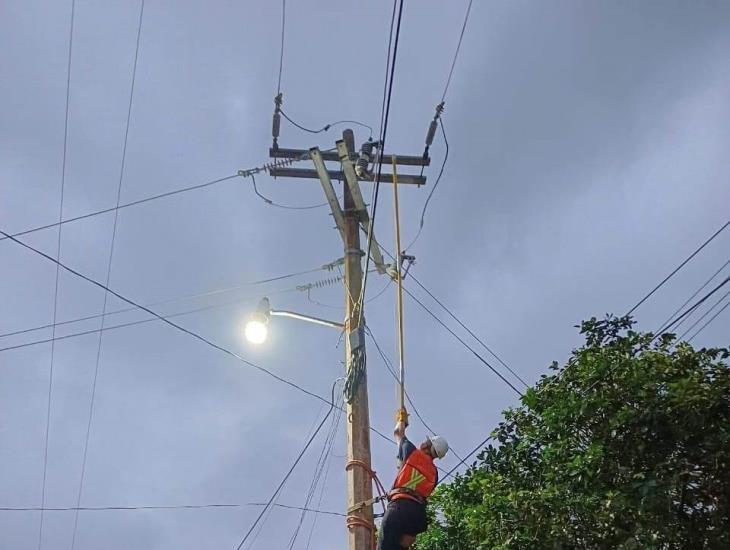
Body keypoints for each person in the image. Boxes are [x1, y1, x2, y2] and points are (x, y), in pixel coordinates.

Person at [378, 407, 449, 550]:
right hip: (417, 516)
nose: (423, 441)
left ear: (429, 446)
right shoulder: (434, 474)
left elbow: (398, 433)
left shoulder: (412, 452)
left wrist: (401, 420)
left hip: (400, 507)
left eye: (427, 441)